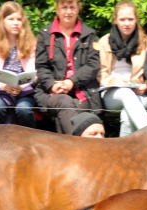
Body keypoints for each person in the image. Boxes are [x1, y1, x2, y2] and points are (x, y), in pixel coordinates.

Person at [34, 0, 101, 134]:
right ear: (57, 10)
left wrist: (72, 82)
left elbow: (93, 65)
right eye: (64, 7)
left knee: (75, 107)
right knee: (64, 102)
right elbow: (41, 66)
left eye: (72, 7)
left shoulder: (89, 34)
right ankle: (79, 147)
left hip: (83, 91)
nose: (68, 12)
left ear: (78, 9)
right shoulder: (45, 34)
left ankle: (66, 151)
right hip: (50, 91)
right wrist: (52, 84)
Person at [97, 1, 147, 137]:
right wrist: (116, 81)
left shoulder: (145, 42)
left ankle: (121, 153)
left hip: (139, 93)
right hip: (112, 93)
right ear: (115, 20)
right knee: (126, 94)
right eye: (122, 19)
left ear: (136, 20)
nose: (126, 23)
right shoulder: (105, 42)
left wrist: (146, 86)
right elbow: (101, 74)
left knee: (127, 116)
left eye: (130, 19)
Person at [0, 1, 37, 128]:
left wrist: (20, 86)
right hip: (1, 88)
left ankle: (29, 140)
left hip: (24, 88)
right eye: (11, 19)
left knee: (24, 109)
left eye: (19, 19)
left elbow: (33, 72)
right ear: (2, 21)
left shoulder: (30, 43)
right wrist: (5, 86)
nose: (15, 23)